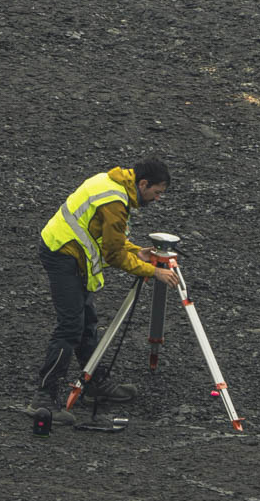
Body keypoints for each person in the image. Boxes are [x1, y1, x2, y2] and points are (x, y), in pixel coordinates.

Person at [30, 159, 181, 423]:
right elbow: (113, 254)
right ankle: (44, 397)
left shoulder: (112, 184)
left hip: (71, 252)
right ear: (142, 184)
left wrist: (137, 252)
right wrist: (154, 271)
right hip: (62, 253)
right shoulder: (115, 201)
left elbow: (108, 237)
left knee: (87, 321)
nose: (157, 199)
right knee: (70, 327)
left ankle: (95, 383)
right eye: (156, 192)